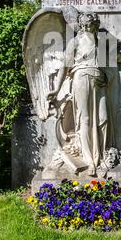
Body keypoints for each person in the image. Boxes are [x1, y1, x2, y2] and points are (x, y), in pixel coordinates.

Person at [48, 12, 109, 176]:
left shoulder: (100, 42)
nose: (87, 27)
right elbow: (64, 67)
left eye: (91, 25)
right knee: (85, 119)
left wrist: (106, 75)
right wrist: (56, 89)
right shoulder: (75, 41)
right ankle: (90, 162)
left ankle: (101, 156)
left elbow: (104, 64)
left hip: (98, 81)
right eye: (84, 25)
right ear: (81, 25)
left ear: (96, 25)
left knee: (103, 119)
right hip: (81, 77)